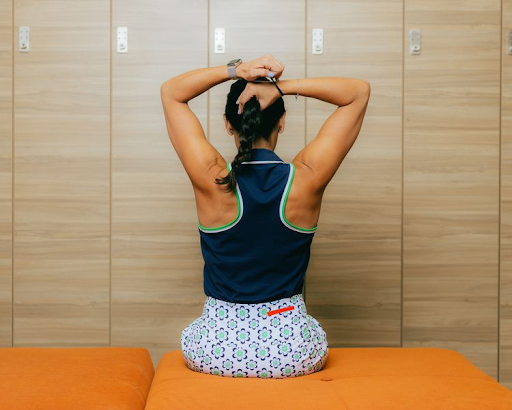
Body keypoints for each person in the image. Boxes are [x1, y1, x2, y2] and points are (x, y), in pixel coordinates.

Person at [160, 55, 371, 378]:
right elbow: (357, 92)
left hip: (216, 350)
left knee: (193, 334)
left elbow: (171, 92)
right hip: (292, 352)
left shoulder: (212, 178)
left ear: (228, 124)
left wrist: (236, 71)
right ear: (282, 122)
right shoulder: (307, 177)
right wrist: (281, 88)